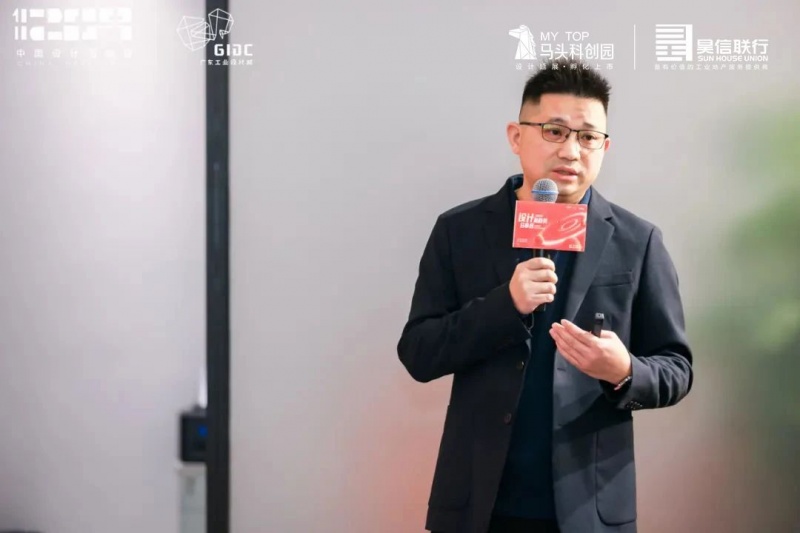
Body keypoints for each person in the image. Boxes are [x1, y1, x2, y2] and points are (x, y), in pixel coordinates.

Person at [396, 59, 694, 533]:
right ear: (517, 137)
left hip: (589, 511)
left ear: (604, 147)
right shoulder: (460, 230)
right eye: (554, 131)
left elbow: (676, 369)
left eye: (588, 137)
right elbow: (419, 352)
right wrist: (505, 306)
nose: (571, 151)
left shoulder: (638, 241)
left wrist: (624, 371)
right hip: (478, 503)